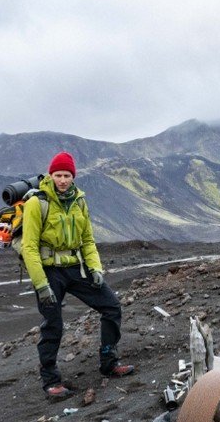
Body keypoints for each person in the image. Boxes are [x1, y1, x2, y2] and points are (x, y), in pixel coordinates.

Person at [20, 151, 134, 400]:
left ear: (73, 176)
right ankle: (51, 380)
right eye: (58, 175)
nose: (62, 180)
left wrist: (95, 269)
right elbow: (29, 247)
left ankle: (109, 361)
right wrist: (41, 285)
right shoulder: (36, 203)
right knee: (54, 324)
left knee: (112, 306)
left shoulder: (80, 201)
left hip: (75, 267)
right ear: (51, 176)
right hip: (48, 270)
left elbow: (88, 241)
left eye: (67, 175)